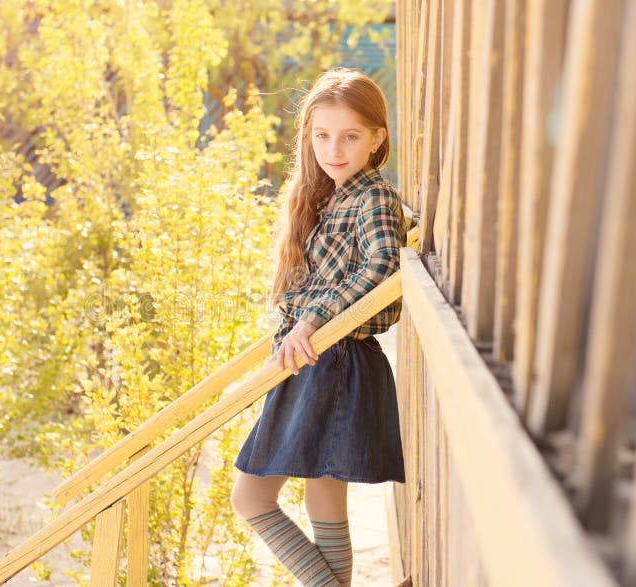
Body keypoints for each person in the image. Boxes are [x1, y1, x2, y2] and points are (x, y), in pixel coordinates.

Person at [230, 67, 407, 587]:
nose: (334, 148)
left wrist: (310, 319)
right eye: (322, 134)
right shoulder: (331, 193)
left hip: (331, 360)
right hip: (319, 359)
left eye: (350, 136)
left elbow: (381, 267)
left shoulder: (372, 197)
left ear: (377, 137)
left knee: (251, 497)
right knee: (323, 494)